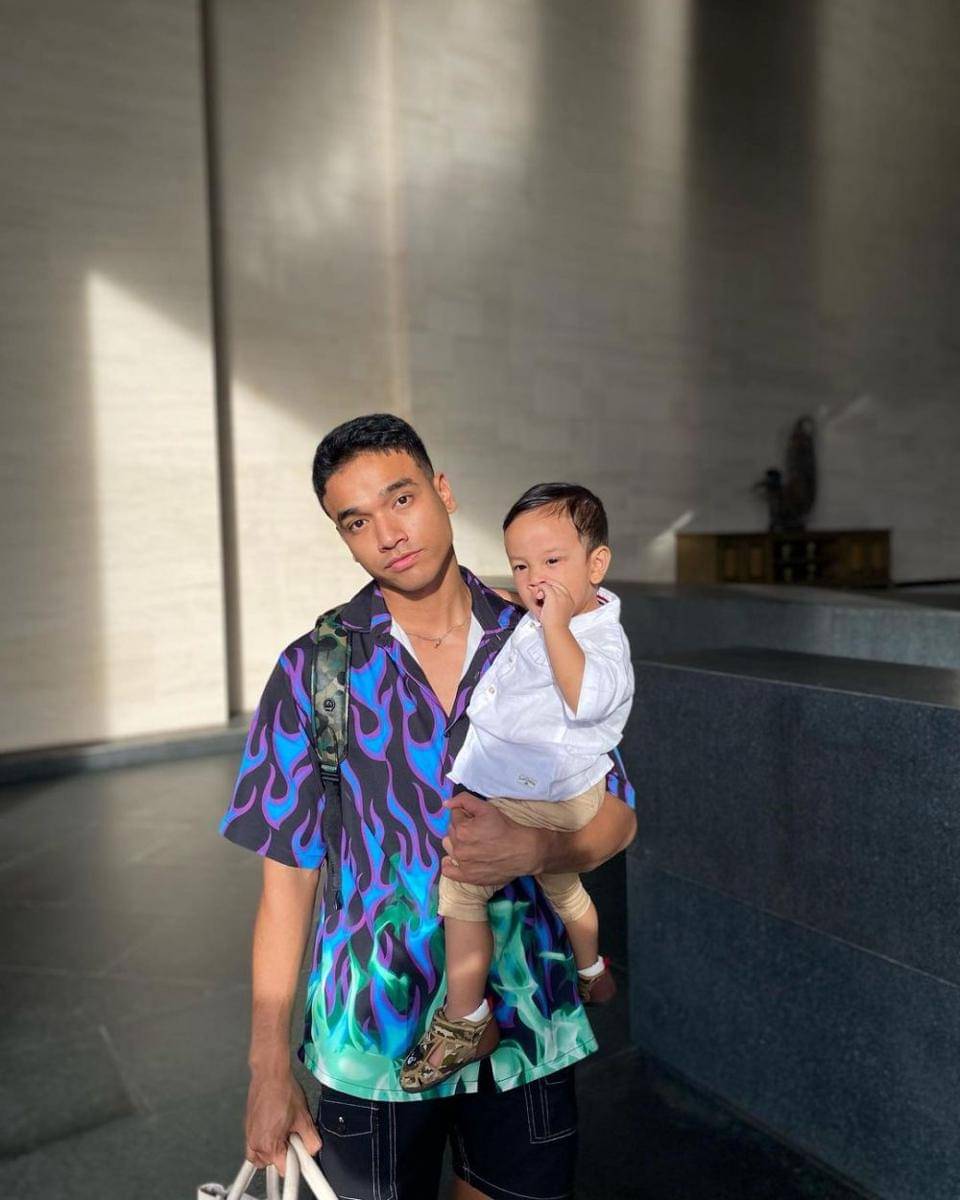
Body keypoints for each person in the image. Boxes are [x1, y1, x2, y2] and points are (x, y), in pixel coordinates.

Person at [220, 413, 637, 1200]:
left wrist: (538, 852)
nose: (388, 533)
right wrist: (268, 1066)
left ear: (442, 491)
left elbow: (618, 813)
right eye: (356, 521)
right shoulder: (315, 670)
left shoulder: (539, 638)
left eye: (401, 498)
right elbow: (288, 882)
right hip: (373, 1037)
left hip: (525, 1026)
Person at [399, 482, 634, 1092]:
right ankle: (593, 969)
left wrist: (552, 625)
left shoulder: (598, 639)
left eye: (552, 561)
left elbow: (584, 699)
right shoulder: (551, 615)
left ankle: (466, 1019)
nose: (536, 580)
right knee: (563, 886)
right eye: (522, 566)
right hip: (547, 786)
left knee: (462, 883)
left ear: (597, 565)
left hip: (550, 789)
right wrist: (525, 606)